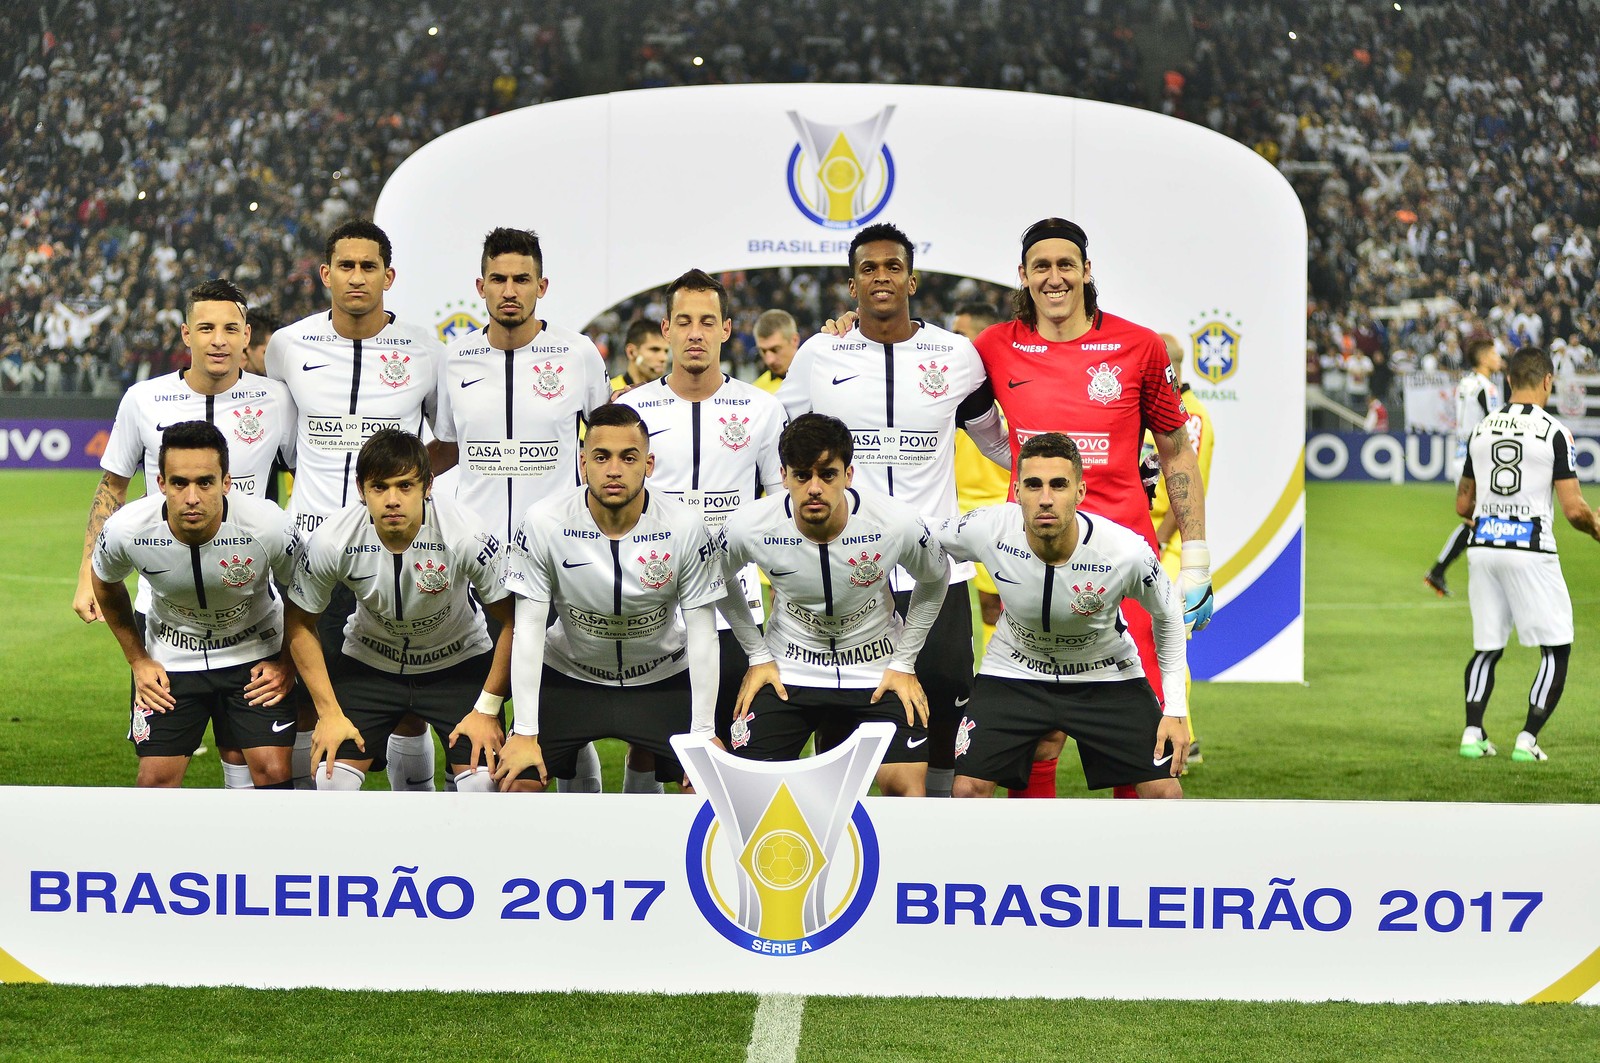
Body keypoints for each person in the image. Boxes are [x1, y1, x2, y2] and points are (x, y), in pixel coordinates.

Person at [972, 218, 1211, 799]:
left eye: (1066, 264)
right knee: (1035, 740)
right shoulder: (992, 346)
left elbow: (1176, 452)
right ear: (1023, 276)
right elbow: (915, 366)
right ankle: (1037, 873)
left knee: (1141, 748)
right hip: (1032, 561)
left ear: (1086, 270)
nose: (1054, 277)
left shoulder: (1139, 346)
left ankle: (1135, 881)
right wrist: (848, 333)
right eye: (1041, 266)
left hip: (1125, 567)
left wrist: (1197, 555)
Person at [778, 222, 1010, 797]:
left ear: (912, 278)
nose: (881, 276)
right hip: (844, 575)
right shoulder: (819, 354)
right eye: (868, 268)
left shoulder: (956, 356)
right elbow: (773, 444)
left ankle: (936, 851)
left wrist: (1089, 466)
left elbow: (999, 444)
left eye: (891, 267)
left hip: (937, 573)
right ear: (852, 283)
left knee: (943, 725)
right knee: (848, 729)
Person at [73, 278, 295, 790]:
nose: (218, 339)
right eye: (206, 328)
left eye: (230, 329)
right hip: (163, 603)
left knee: (247, 747)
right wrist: (88, 570)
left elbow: (308, 476)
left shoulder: (277, 400)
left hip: (249, 591)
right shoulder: (144, 399)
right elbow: (112, 487)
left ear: (247, 337)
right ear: (185, 334)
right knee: (165, 756)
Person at [428, 226, 612, 793]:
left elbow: (607, 440)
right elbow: (447, 450)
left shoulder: (577, 354)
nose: (511, 290)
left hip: (558, 567)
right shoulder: (455, 359)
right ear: (480, 287)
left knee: (559, 729)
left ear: (542, 286)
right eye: (500, 280)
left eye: (522, 280)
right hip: (475, 570)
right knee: (475, 738)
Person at [264, 219, 446, 791]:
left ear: (389, 276)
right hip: (312, 549)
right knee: (303, 693)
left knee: (408, 697)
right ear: (325, 274)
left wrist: (403, 488)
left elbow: (447, 437)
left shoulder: (425, 350)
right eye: (346, 265)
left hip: (400, 550)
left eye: (370, 267)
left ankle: (412, 817)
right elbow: (283, 439)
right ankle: (305, 827)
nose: (358, 277)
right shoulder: (288, 346)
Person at [936, 433, 1187, 798]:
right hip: (1015, 672)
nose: (1046, 499)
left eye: (1059, 485)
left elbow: (1168, 617)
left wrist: (1176, 708)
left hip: (1105, 676)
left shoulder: (1124, 552)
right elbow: (920, 538)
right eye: (1033, 485)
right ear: (1017, 490)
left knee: (1166, 793)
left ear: (1081, 492)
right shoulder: (988, 528)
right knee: (966, 789)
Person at [492, 403, 726, 792]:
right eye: (601, 457)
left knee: (704, 787)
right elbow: (530, 627)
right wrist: (525, 733)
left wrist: (703, 731)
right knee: (517, 782)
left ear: (648, 465)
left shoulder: (685, 524)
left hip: (661, 679)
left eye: (628, 457)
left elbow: (704, 632)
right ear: (583, 463)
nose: (614, 470)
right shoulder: (544, 520)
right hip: (569, 677)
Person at [613, 269, 785, 791]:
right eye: (683, 321)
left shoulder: (761, 409)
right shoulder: (631, 410)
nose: (695, 333)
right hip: (651, 602)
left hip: (737, 609)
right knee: (647, 749)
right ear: (664, 329)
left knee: (718, 759)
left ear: (727, 329)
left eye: (707, 321)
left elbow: (780, 509)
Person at [719, 414, 949, 797]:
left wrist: (904, 662)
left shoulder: (895, 522)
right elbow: (717, 577)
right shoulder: (750, 524)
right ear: (783, 475)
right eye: (801, 475)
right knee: (749, 789)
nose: (814, 488)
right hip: (789, 670)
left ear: (849, 474)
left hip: (876, 671)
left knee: (907, 789)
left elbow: (936, 577)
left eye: (827, 474)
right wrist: (757, 654)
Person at [285, 429, 514, 792]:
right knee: (332, 780)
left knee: (483, 783)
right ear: (361, 490)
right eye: (380, 487)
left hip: (457, 664)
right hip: (369, 665)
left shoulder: (464, 534)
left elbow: (514, 620)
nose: (392, 499)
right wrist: (328, 713)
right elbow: (298, 622)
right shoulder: (333, 539)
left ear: (428, 486)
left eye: (405, 486)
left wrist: (487, 708)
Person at [89, 421, 298, 788]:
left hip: (254, 651)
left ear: (226, 482)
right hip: (172, 656)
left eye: (205, 482)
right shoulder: (128, 530)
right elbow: (105, 584)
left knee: (272, 771)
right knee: (155, 780)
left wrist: (286, 663)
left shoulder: (267, 525)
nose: (192, 497)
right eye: (179, 483)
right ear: (161, 484)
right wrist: (138, 660)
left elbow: (307, 590)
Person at [1456, 346, 1600, 763]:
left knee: (1487, 647)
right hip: (1530, 547)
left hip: (1483, 545)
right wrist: (1594, 527)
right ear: (1547, 382)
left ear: (1507, 380)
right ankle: (1527, 739)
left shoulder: (1481, 429)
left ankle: (1471, 734)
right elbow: (1573, 509)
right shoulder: (1555, 431)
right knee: (1556, 648)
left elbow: (1463, 505)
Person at [1149, 332, 1215, 763]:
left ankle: (1183, 738)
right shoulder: (1166, 407)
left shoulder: (1191, 417)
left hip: (1164, 541)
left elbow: (1189, 482)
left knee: (1169, 641)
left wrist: (1164, 537)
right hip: (1144, 534)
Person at [950, 301, 1011, 648]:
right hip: (955, 510)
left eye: (961, 333)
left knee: (1006, 606)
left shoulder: (1009, 384)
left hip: (1001, 509)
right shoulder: (949, 387)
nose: (954, 341)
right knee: (964, 604)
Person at [1426, 336, 1504, 597]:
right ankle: (1444, 572)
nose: (1498, 356)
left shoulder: (1465, 383)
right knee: (1483, 519)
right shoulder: (1488, 388)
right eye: (1494, 353)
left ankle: (1440, 571)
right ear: (1483, 358)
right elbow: (1496, 426)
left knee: (1479, 520)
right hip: (1477, 460)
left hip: (1462, 455)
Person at [610, 318, 671, 392]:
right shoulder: (610, 392)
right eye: (654, 350)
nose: (664, 358)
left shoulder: (669, 394)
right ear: (631, 352)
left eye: (666, 351)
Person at [751, 308, 801, 394]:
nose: (770, 360)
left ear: (794, 340)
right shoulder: (756, 392)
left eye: (775, 349)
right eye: (763, 351)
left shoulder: (821, 378)